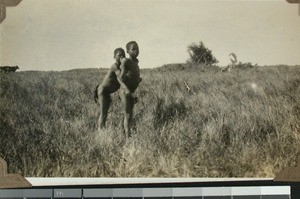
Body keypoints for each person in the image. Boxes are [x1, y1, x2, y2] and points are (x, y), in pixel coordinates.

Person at [94, 48, 130, 130]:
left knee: (105, 113)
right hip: (102, 91)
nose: (121, 57)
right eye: (119, 55)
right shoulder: (115, 66)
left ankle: (102, 129)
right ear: (114, 56)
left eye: (123, 55)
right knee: (103, 113)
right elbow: (121, 78)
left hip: (106, 92)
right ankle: (100, 132)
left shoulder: (121, 67)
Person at [118, 41, 142, 137]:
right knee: (127, 114)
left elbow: (132, 76)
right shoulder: (126, 62)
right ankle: (128, 138)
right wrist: (126, 90)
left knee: (129, 113)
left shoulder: (135, 62)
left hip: (130, 92)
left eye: (137, 48)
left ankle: (123, 132)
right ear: (127, 51)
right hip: (125, 91)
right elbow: (120, 79)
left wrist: (137, 80)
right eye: (133, 49)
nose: (136, 51)